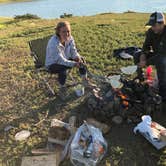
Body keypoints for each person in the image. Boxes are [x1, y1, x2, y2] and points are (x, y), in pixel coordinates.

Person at [45, 21, 92, 98]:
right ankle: (62, 88)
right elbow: (60, 61)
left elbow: (74, 51)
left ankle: (85, 81)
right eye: (63, 32)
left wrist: (77, 58)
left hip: (65, 59)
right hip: (52, 64)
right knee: (62, 68)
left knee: (81, 59)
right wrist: (74, 64)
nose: (66, 34)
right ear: (58, 32)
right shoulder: (53, 43)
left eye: (68, 31)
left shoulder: (70, 38)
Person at [139, 12, 166, 112]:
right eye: (151, 25)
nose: (152, 27)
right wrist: (142, 56)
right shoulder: (151, 32)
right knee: (137, 54)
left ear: (162, 23)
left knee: (161, 61)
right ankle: (141, 80)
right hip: (157, 55)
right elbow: (146, 46)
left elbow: (162, 54)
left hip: (164, 57)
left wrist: (145, 62)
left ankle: (163, 93)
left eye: (154, 25)